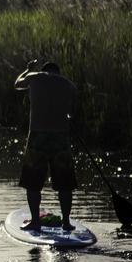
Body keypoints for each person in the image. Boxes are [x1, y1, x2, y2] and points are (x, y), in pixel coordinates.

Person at [14, 59, 78, 232]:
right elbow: (72, 113)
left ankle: (35, 221)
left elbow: (17, 84)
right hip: (60, 138)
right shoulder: (68, 84)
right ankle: (66, 222)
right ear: (58, 72)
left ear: (44, 71)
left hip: (38, 136)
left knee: (33, 182)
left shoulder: (34, 76)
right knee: (65, 183)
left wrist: (27, 70)